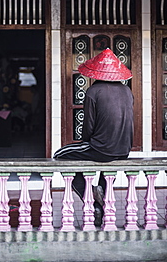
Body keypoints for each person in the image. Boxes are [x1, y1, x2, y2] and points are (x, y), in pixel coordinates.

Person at [53, 48, 134, 226]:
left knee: (60, 154)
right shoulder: (127, 91)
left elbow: (88, 127)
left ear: (95, 72)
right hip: (124, 150)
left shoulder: (93, 91)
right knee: (105, 173)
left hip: (101, 148)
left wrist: (86, 145)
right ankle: (101, 204)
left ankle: (91, 199)